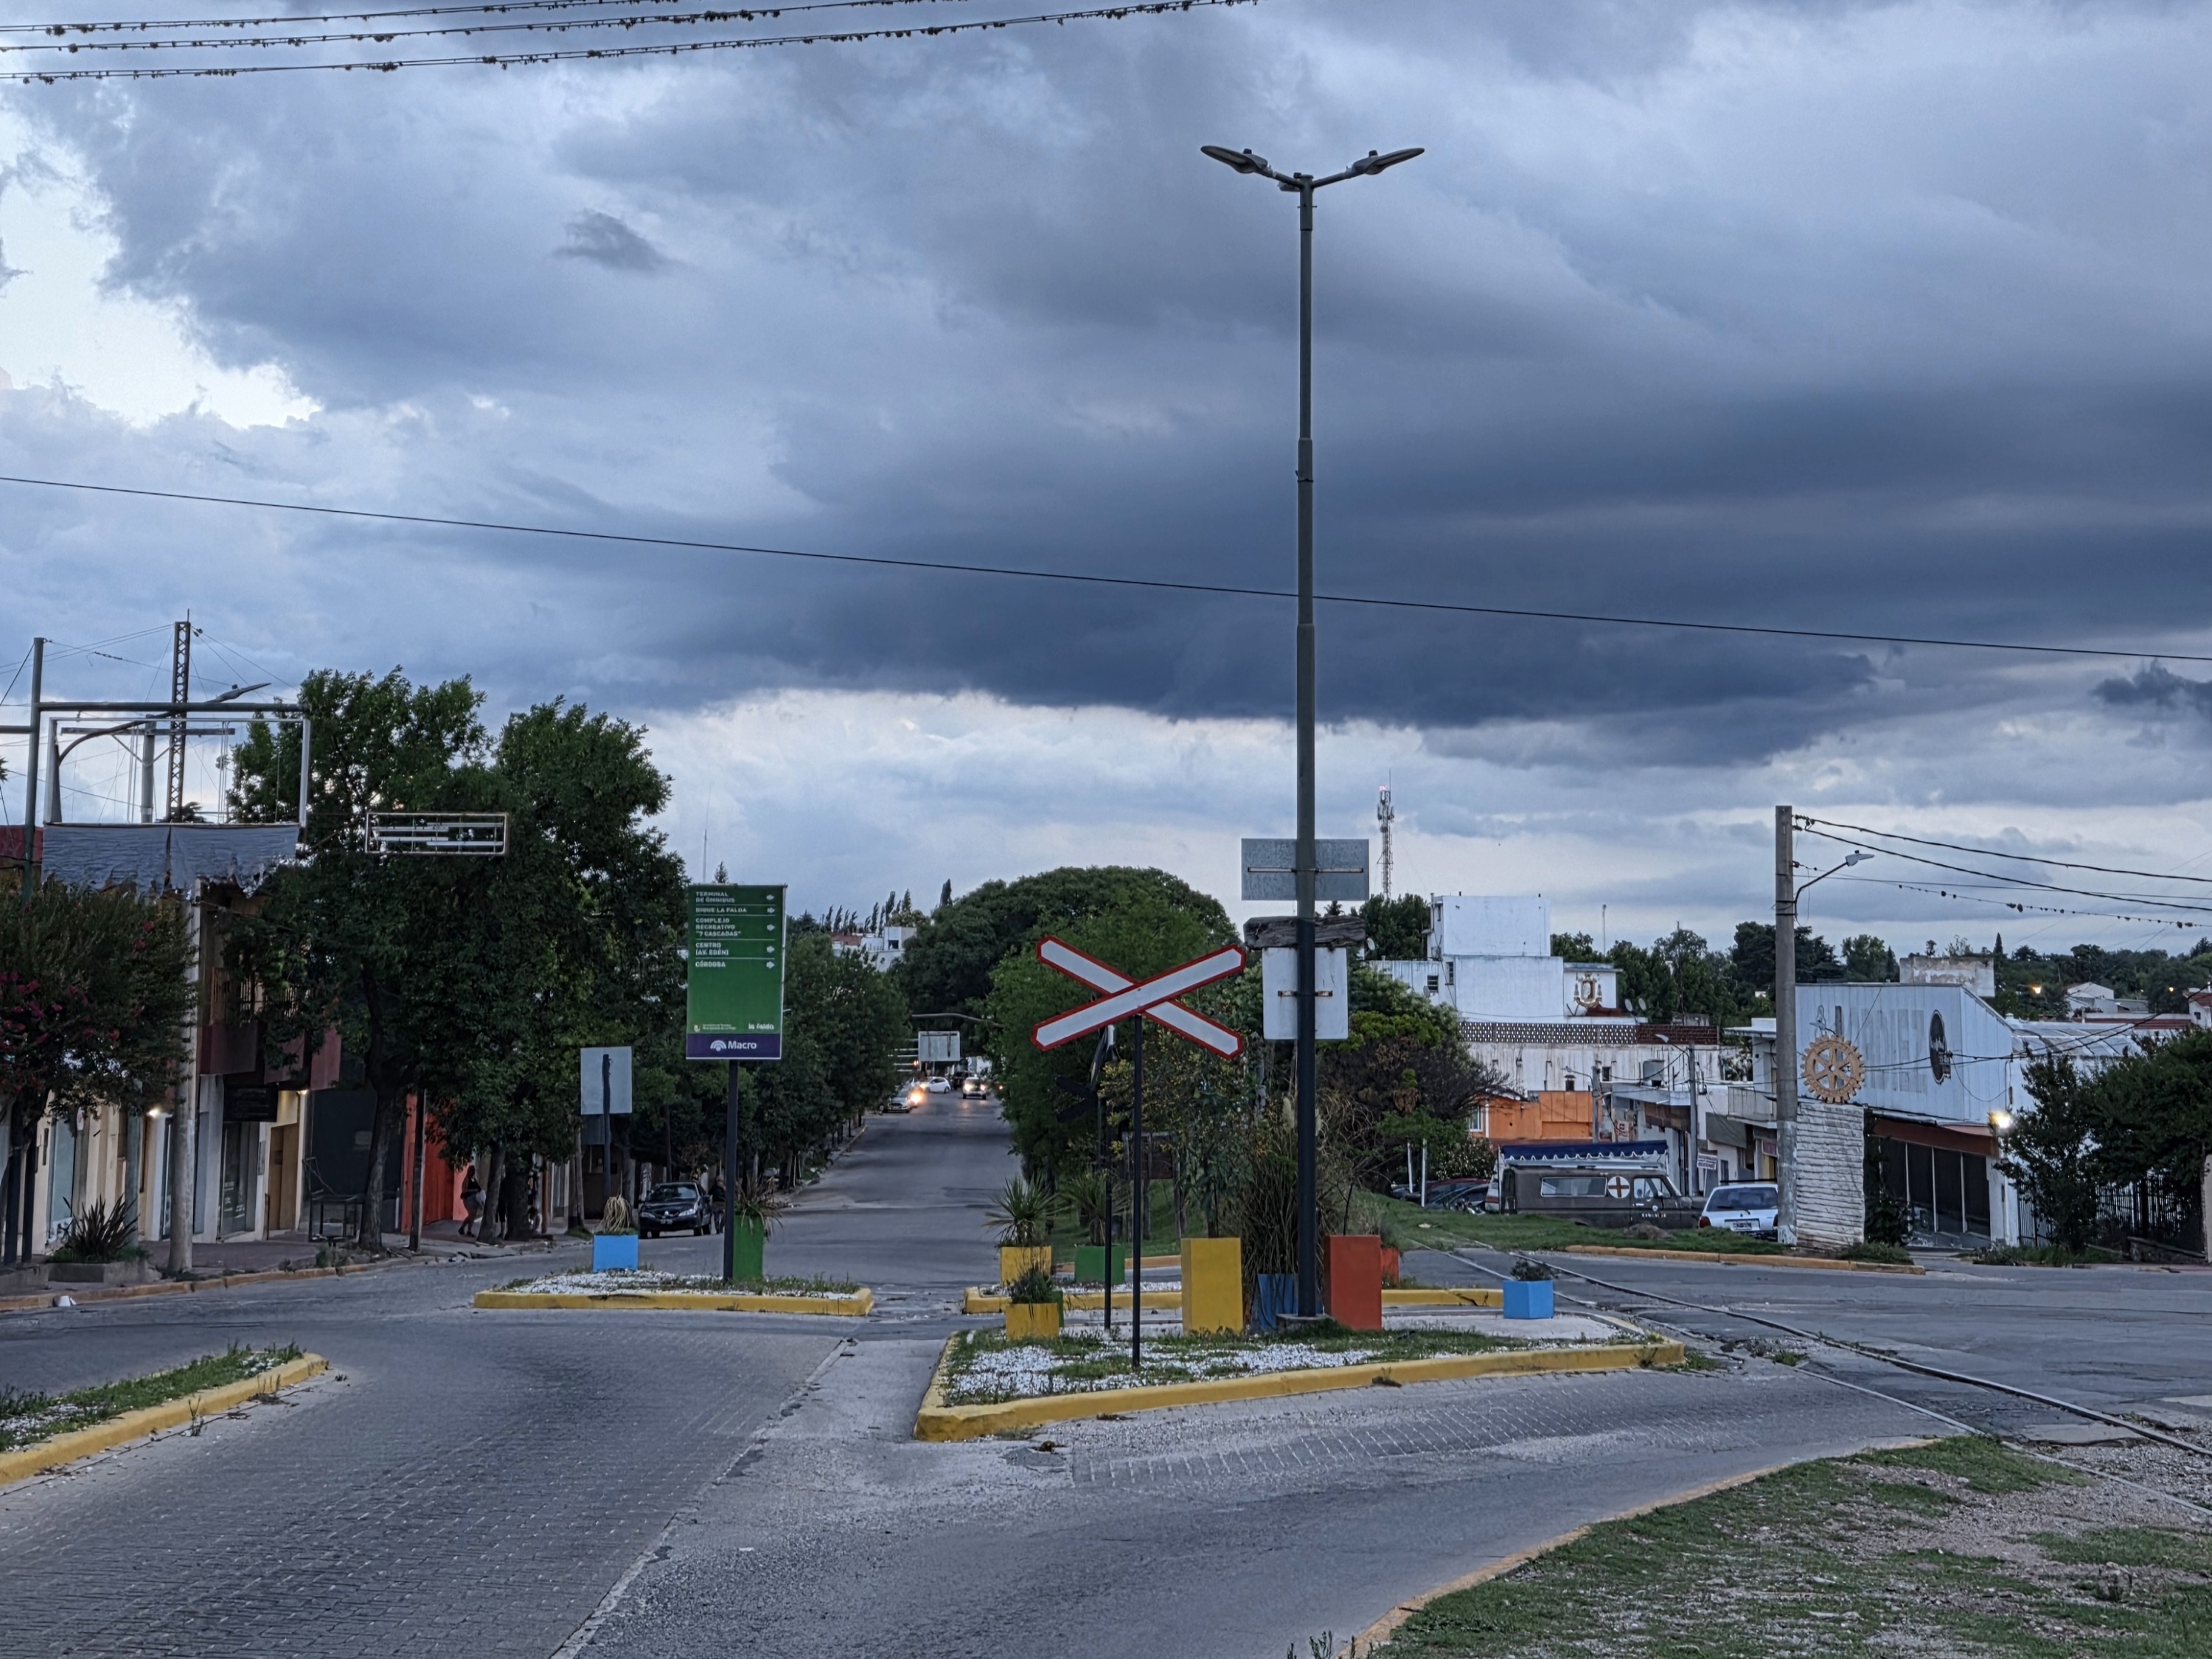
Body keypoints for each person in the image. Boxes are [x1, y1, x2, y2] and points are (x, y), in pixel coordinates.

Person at [459, 1166, 484, 1238]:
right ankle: (466, 1229)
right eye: (472, 1171)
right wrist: (473, 1190)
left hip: (475, 1199)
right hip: (468, 1199)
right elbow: (464, 1190)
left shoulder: (474, 1180)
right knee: (471, 1215)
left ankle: (466, 1229)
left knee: (473, 1216)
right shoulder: (467, 1180)